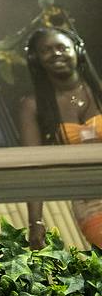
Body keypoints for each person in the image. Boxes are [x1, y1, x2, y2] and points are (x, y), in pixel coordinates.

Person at [17, 26, 102, 249]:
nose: (55, 53)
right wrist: (35, 220)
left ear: (78, 51)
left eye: (62, 47)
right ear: (36, 60)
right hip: (90, 202)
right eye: (46, 50)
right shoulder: (33, 106)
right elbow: (33, 166)